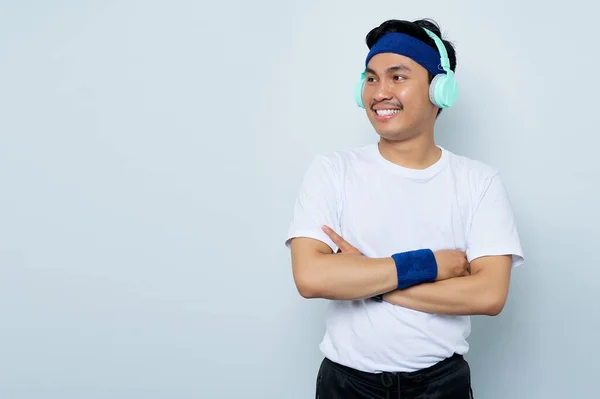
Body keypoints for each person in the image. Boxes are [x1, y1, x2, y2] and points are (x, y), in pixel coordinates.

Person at [284, 18, 525, 399]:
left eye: (398, 77)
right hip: (345, 385)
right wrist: (430, 265)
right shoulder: (332, 170)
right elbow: (311, 278)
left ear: (440, 89)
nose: (380, 92)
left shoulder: (478, 182)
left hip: (440, 386)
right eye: (371, 77)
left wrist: (368, 279)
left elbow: (489, 295)